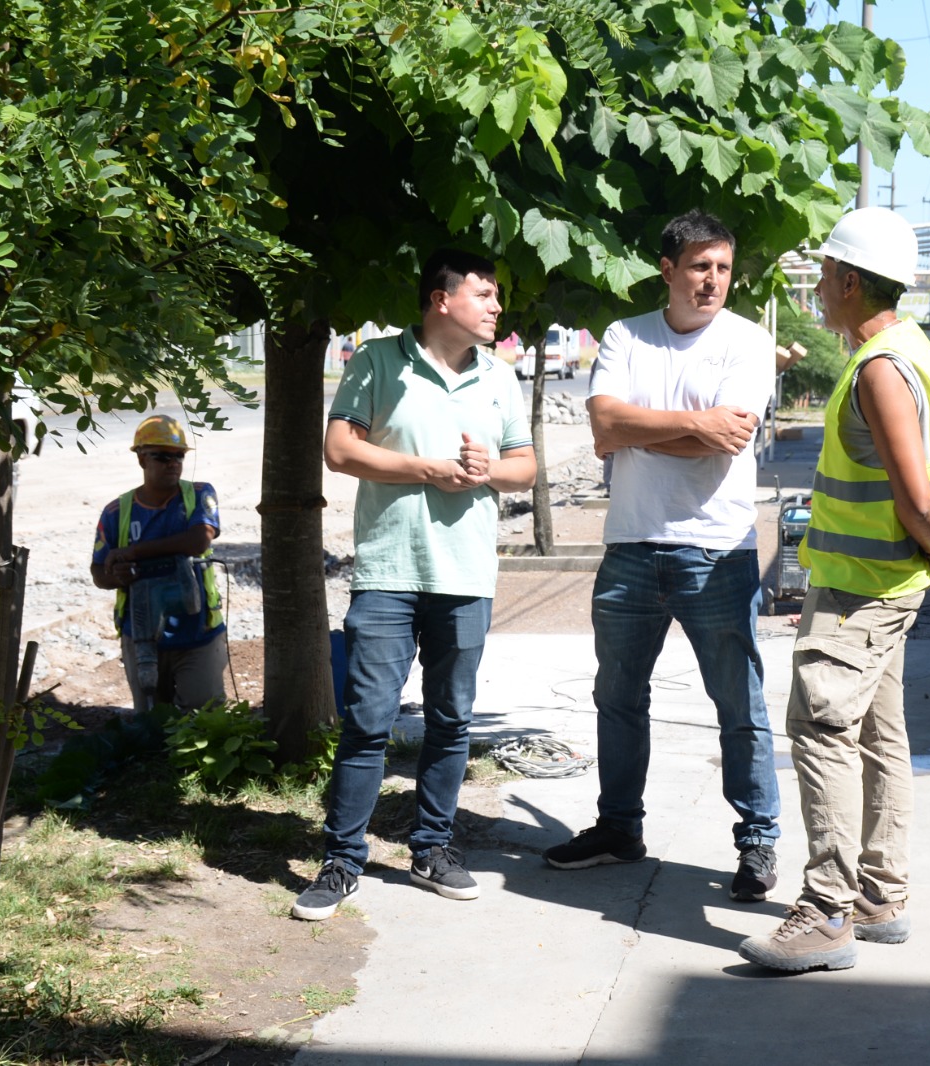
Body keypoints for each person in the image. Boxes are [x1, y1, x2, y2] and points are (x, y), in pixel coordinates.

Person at [739, 207, 930, 973]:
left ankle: (828, 910)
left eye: (826, 272)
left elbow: (912, 492)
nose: (818, 285)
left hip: (861, 592)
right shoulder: (907, 349)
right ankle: (879, 897)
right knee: (877, 733)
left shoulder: (878, 368)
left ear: (850, 282)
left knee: (822, 729)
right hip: (883, 581)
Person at [542, 210, 782, 903]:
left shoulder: (748, 341)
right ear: (668, 269)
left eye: (723, 268)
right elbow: (602, 421)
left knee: (738, 704)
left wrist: (636, 430)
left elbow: (729, 438)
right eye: (701, 267)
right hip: (632, 545)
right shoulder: (626, 335)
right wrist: (694, 424)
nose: (713, 280)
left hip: (719, 551)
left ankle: (758, 839)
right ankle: (619, 828)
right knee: (617, 697)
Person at [291, 250, 537, 921]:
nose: (496, 307)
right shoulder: (376, 361)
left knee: (451, 721)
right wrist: (429, 469)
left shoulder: (500, 376)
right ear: (441, 299)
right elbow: (339, 450)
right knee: (368, 720)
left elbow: (525, 466)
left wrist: (488, 469)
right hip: (388, 572)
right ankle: (343, 860)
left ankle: (432, 848)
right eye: (484, 294)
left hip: (466, 574)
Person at [91, 416, 227, 716]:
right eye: (163, 456)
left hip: (198, 633)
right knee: (153, 722)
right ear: (142, 459)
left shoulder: (199, 495)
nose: (173, 463)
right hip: (141, 637)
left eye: (179, 456)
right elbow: (99, 572)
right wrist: (117, 576)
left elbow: (198, 541)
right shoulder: (117, 512)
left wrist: (133, 552)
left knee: (207, 716)